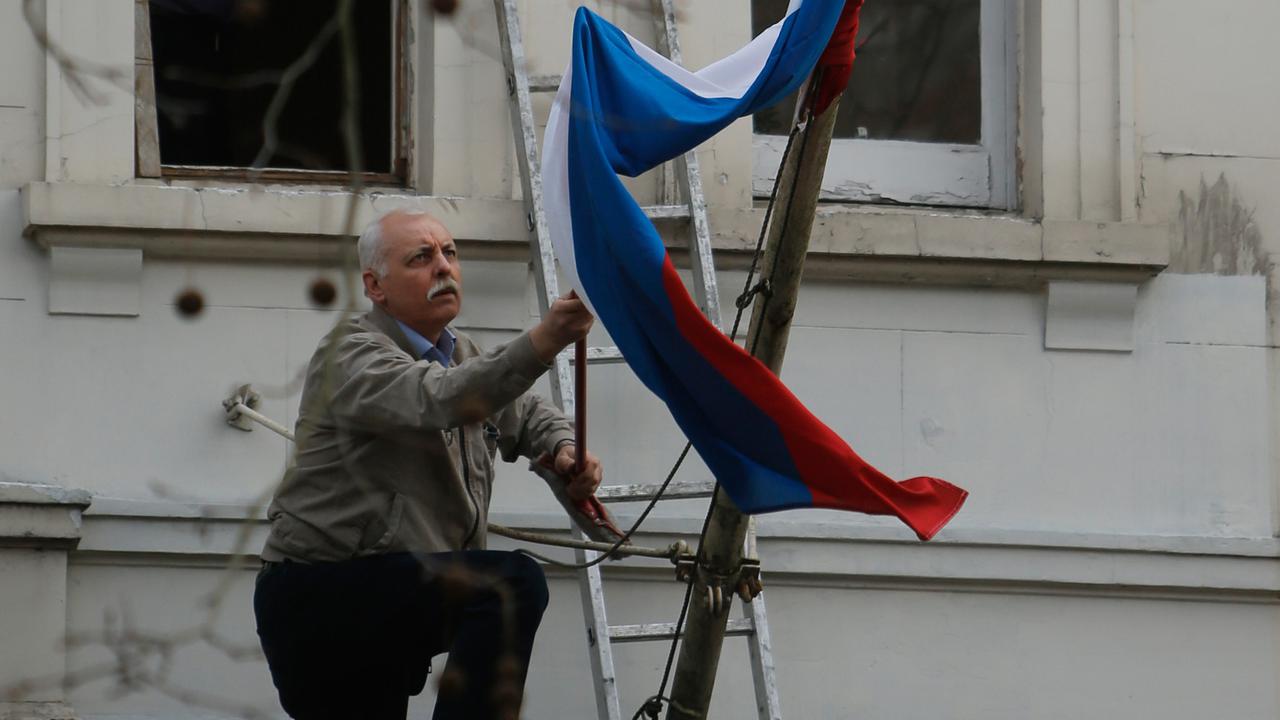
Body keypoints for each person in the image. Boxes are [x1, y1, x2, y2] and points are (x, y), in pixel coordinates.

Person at [254, 209, 604, 720]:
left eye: (450, 252)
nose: (443, 267)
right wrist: (545, 339)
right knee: (510, 585)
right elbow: (438, 397)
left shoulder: (461, 355)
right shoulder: (348, 354)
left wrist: (565, 448)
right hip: (319, 594)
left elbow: (525, 412)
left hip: (389, 593)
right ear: (375, 286)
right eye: (421, 257)